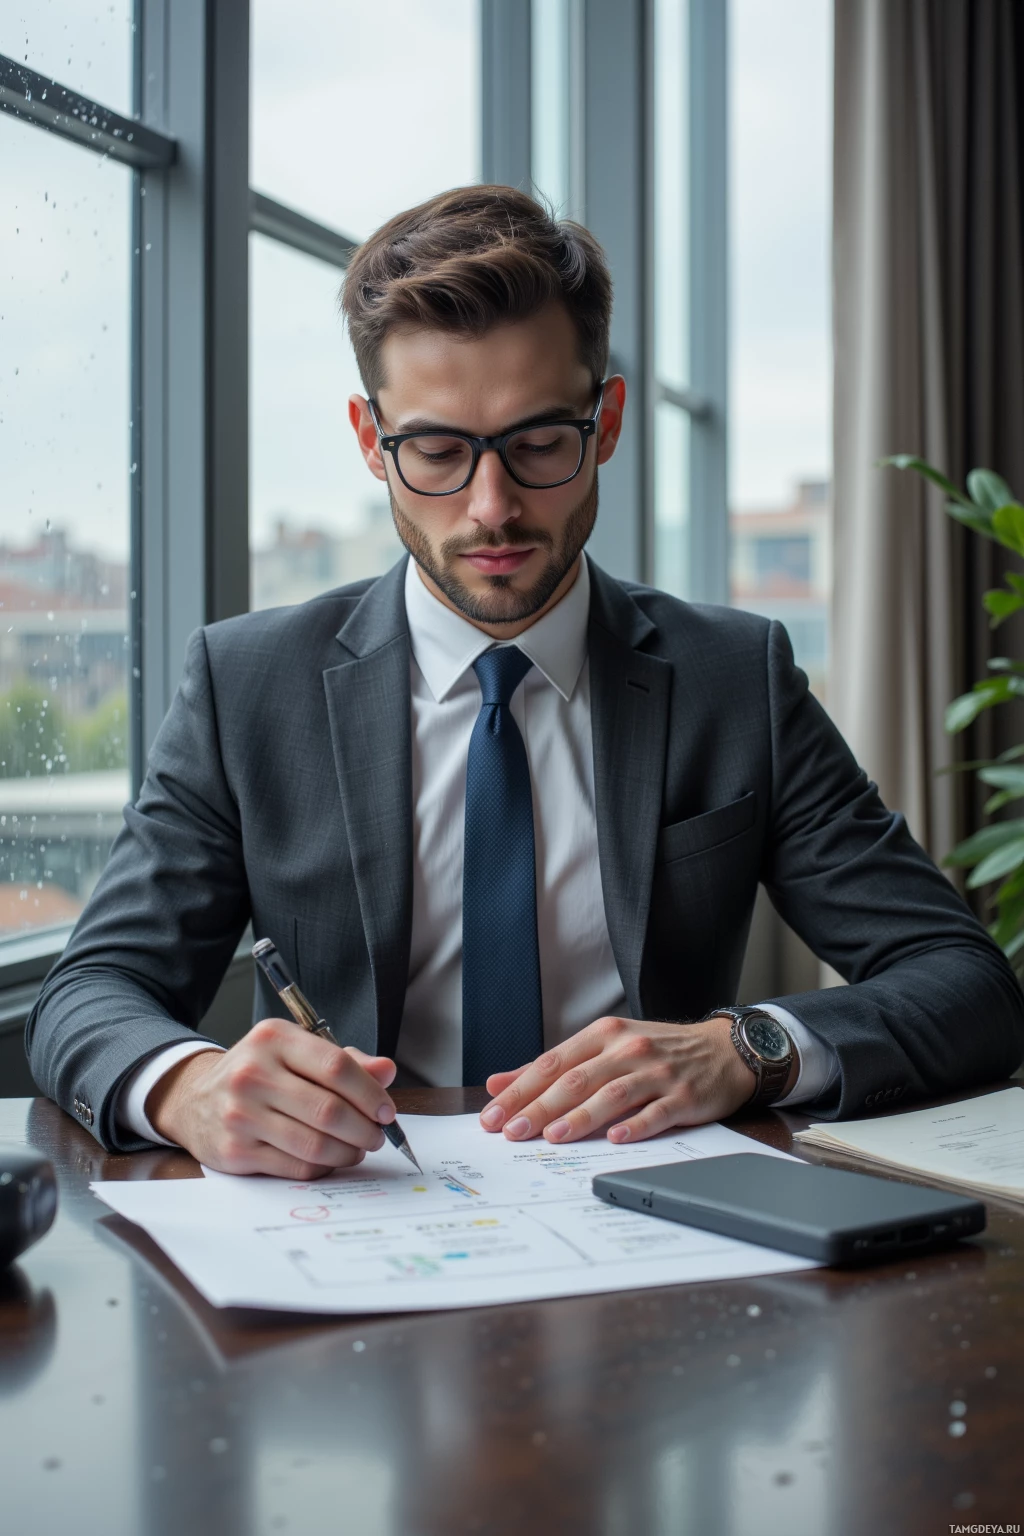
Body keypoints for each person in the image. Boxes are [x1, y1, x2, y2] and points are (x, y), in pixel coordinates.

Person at [27, 186, 1024, 1178]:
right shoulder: (246, 683)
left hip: (659, 1229)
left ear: (609, 421)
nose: (491, 508)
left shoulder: (736, 678)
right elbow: (94, 990)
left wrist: (742, 1049)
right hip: (356, 1214)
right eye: (437, 451)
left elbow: (966, 983)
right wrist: (188, 1087)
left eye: (540, 442)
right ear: (372, 441)